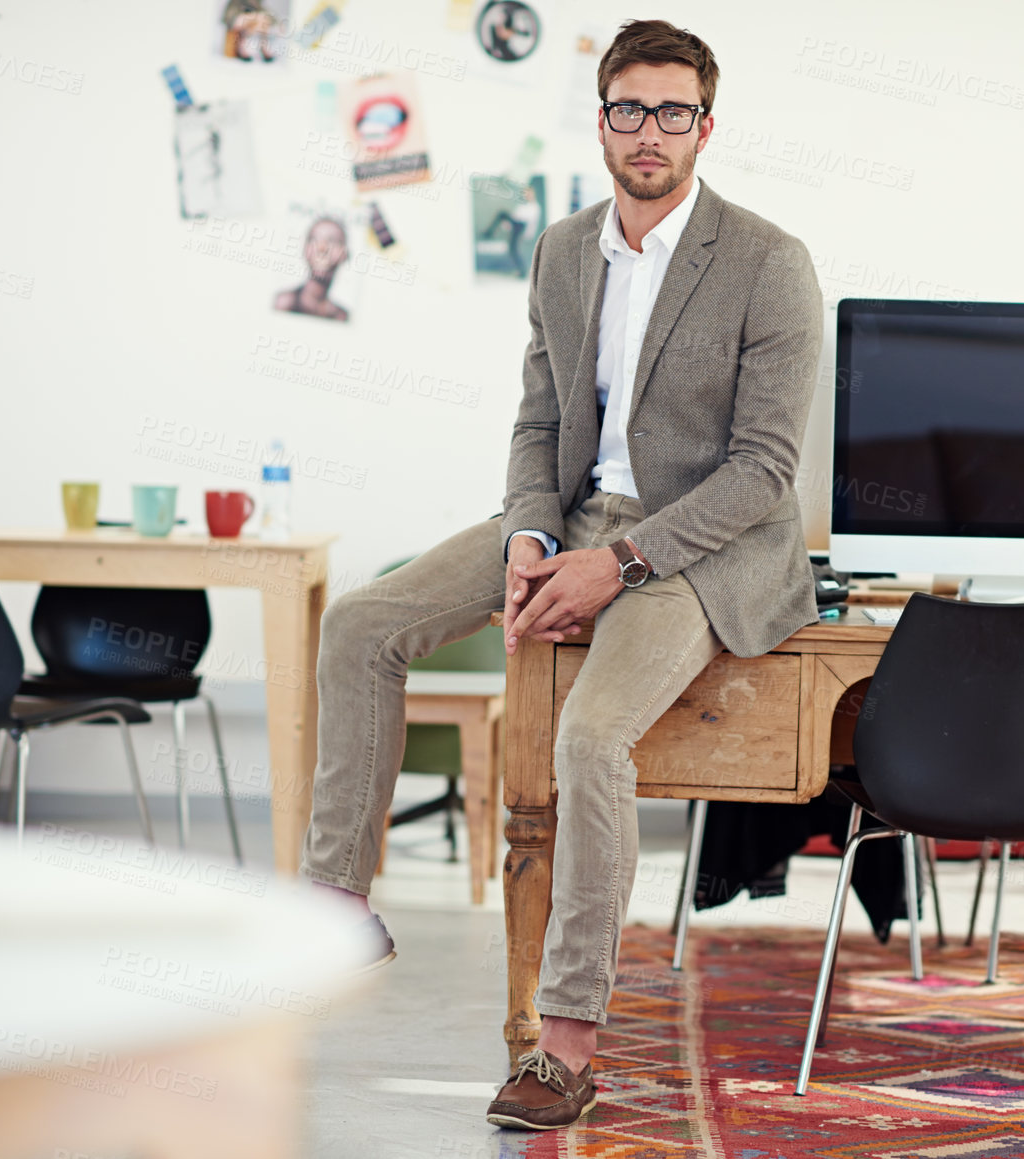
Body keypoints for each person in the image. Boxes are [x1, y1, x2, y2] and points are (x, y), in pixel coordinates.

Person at [297, 18, 823, 1131]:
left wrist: (619, 563)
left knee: (590, 737)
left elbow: (765, 473)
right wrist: (534, 538)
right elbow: (540, 420)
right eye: (629, 108)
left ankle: (565, 1043)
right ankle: (339, 904)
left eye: (673, 111)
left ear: (705, 127)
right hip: (574, 509)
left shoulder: (771, 263)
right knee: (358, 624)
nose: (650, 131)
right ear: (601, 121)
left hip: (702, 541)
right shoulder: (565, 249)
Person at [274, 216, 350, 322]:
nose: (322, 248)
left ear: (345, 254)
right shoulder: (283, 303)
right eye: (313, 239)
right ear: (305, 249)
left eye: (332, 241)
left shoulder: (341, 317)